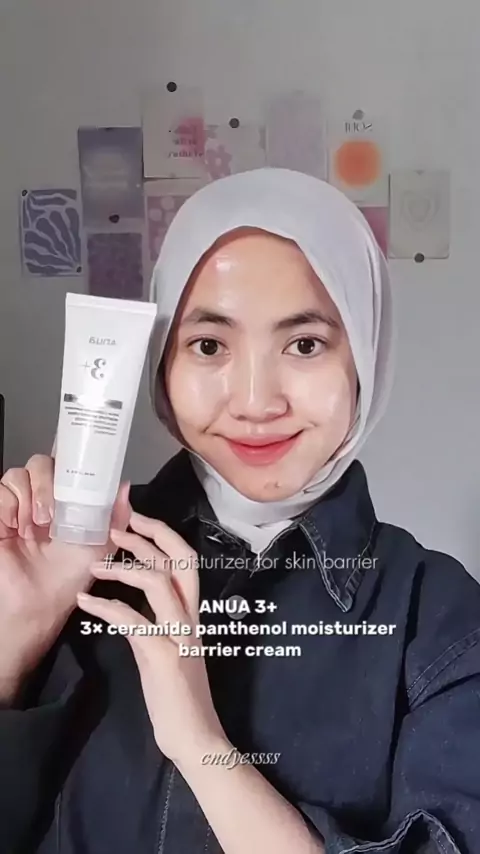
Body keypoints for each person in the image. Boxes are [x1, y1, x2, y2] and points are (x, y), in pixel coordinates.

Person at [0, 168, 479, 854]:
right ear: (164, 364)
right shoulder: (78, 564)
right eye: (209, 345)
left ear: (365, 359)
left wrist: (202, 747)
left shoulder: (440, 619)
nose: (256, 402)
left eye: (305, 344)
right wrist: (16, 639)